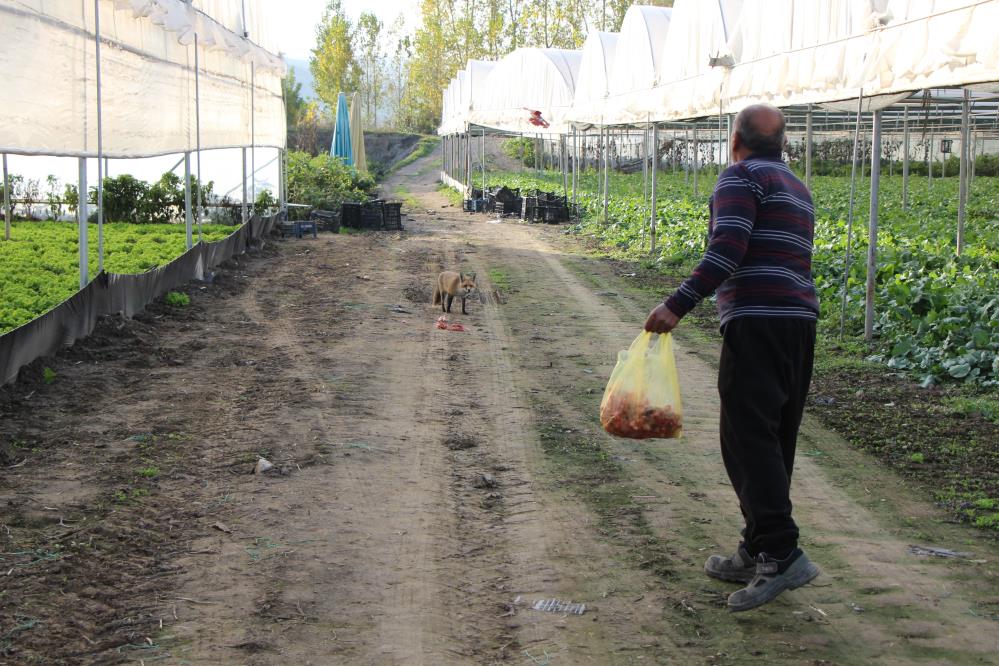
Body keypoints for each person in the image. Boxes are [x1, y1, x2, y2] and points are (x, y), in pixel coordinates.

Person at [644, 104, 820, 612]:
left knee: (746, 439)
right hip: (798, 322)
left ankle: (781, 553)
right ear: (782, 144)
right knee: (773, 437)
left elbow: (727, 249)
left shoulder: (740, 177)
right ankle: (758, 545)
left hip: (758, 321)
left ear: (734, 141)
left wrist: (676, 305)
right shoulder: (797, 186)